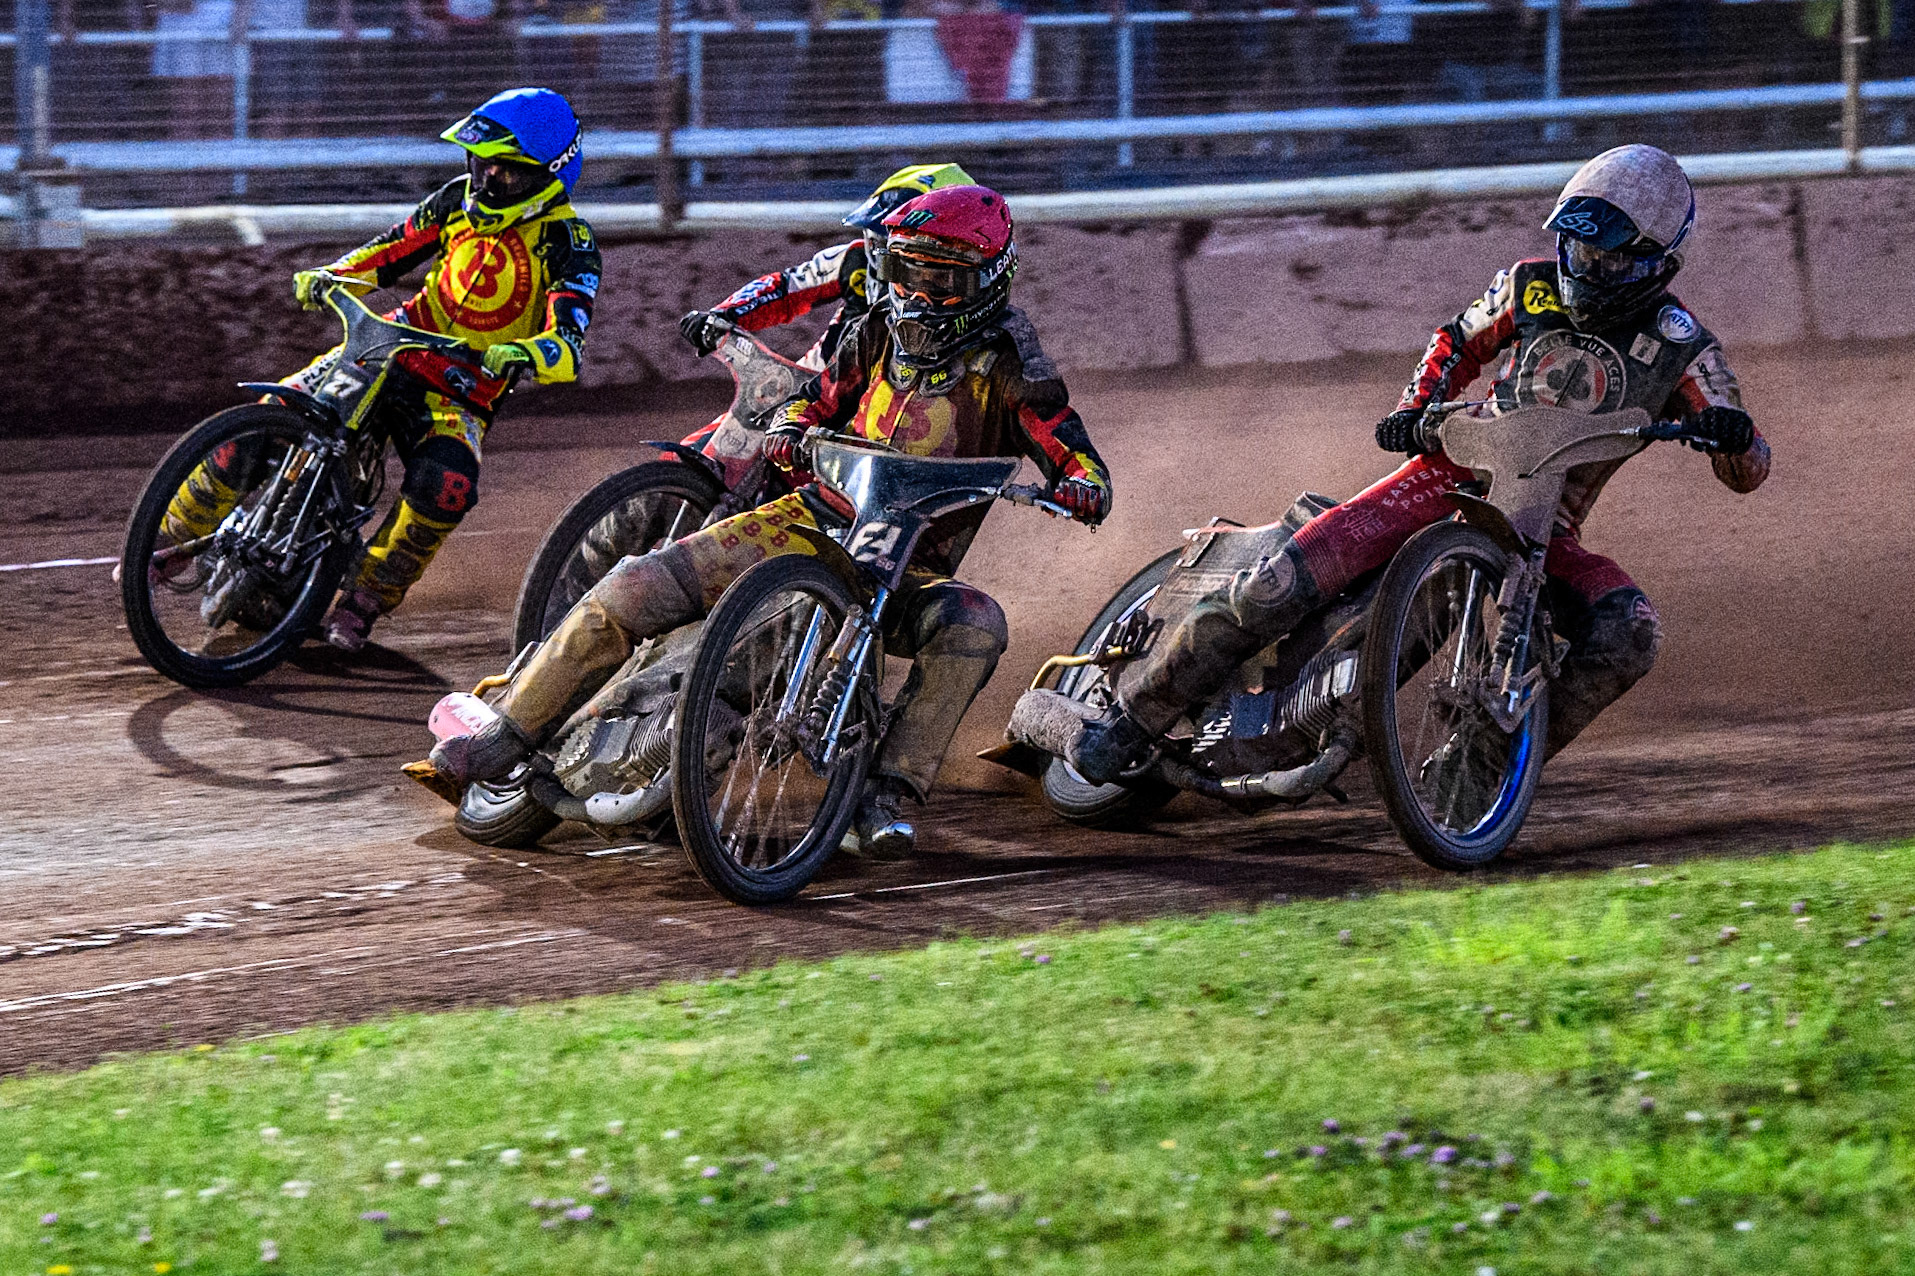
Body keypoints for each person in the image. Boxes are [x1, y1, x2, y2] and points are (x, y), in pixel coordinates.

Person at [427, 184, 1113, 858]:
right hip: (803, 518)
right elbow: (814, 401)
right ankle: (508, 735)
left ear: (991, 281)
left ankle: (885, 791)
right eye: (909, 272)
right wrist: (789, 427)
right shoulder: (870, 328)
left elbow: (1070, 450)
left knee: (975, 621)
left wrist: (1082, 486)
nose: (921, 294)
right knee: (636, 585)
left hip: (907, 567)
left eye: (945, 279)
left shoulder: (1015, 369)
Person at [1067, 144, 1771, 784]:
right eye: (1574, 250)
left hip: (1542, 525)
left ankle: (1477, 776)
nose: (1583, 269)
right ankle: (1129, 716)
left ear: (1656, 261)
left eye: (1605, 259)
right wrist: (1415, 406)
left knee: (1631, 631)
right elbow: (1457, 341)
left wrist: (1731, 434)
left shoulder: (1682, 343)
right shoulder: (1528, 284)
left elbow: (1749, 470)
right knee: (1277, 585)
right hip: (1445, 475)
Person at [157, 88, 599, 653]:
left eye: (504, 174)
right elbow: (387, 252)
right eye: (479, 164)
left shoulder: (570, 243)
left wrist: (526, 353)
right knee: (268, 418)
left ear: (549, 174)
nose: (486, 182)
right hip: (384, 347)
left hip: (459, 393)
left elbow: (568, 345)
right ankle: (168, 541)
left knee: (448, 486)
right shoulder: (455, 202)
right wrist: (331, 275)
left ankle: (364, 599)